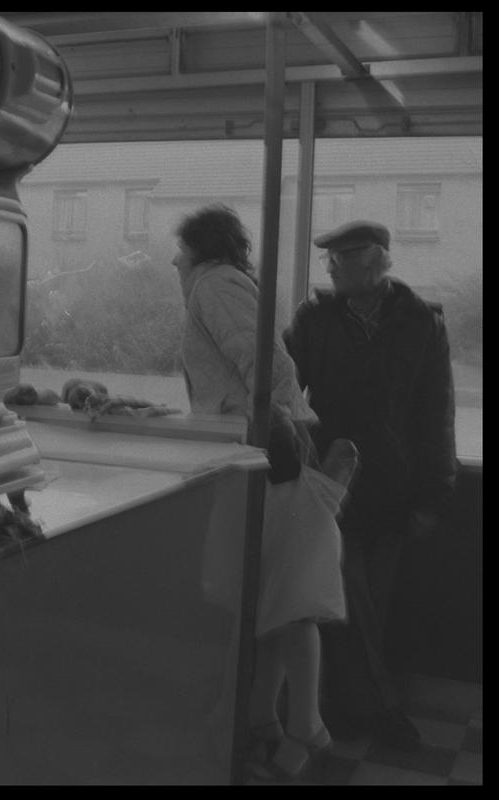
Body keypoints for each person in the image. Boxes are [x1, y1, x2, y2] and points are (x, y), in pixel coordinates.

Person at [173, 204, 351, 781]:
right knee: (275, 596)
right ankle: (265, 719)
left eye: (180, 250)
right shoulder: (223, 283)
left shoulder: (213, 284)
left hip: (265, 458)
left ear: (200, 250)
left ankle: (306, 727)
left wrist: (262, 430)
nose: (175, 261)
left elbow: (267, 365)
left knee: (292, 600)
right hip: (266, 451)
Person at [284, 220, 457, 751]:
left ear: (376, 260)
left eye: (343, 256)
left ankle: (339, 706)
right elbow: (280, 385)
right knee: (348, 595)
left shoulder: (419, 322)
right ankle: (379, 708)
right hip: (332, 485)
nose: (331, 266)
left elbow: (437, 412)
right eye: (329, 258)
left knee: (370, 607)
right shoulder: (315, 320)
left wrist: (433, 494)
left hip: (395, 486)